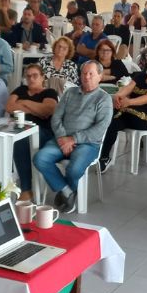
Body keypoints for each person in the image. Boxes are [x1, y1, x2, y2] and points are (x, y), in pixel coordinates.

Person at [34, 60, 113, 213]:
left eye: (91, 74)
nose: (87, 77)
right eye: (84, 73)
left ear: (100, 77)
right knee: (40, 158)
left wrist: (74, 139)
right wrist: (63, 138)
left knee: (74, 168)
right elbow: (56, 118)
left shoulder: (104, 99)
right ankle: (67, 191)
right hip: (62, 139)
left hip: (88, 143)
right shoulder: (70, 93)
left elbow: (100, 129)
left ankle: (66, 190)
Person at [99, 55, 147, 171]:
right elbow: (128, 88)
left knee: (113, 118)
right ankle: (102, 156)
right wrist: (118, 96)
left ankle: (102, 156)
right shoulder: (141, 76)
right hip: (128, 113)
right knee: (110, 119)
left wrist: (128, 102)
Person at [6, 63, 57, 202]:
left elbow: (47, 110)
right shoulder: (20, 89)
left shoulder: (49, 92)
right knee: (13, 138)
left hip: (43, 132)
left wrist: (24, 103)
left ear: (42, 77)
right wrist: (36, 109)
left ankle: (26, 189)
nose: (31, 79)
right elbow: (10, 107)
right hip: (19, 129)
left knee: (21, 140)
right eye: (28, 76)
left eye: (35, 75)